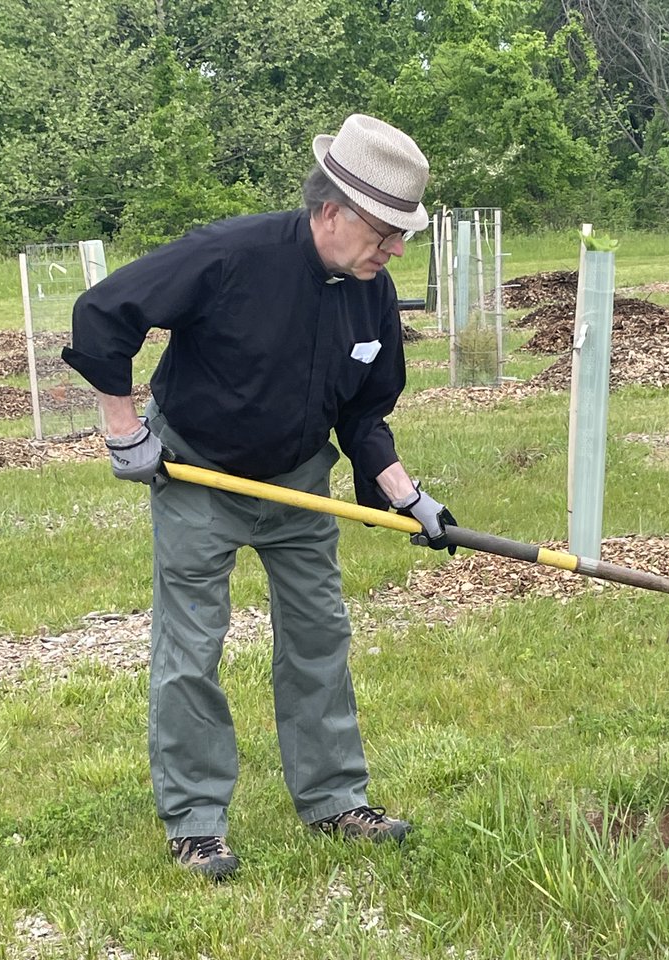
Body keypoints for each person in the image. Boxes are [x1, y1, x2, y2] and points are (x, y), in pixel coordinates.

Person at [62, 113, 456, 881]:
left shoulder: (373, 293)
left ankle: (335, 799)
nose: (397, 250)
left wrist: (408, 496)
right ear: (333, 210)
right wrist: (124, 431)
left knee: (319, 634)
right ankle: (196, 823)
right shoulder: (229, 254)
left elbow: (363, 415)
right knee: (192, 647)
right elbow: (105, 312)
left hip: (300, 480)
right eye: (387, 232)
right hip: (197, 473)